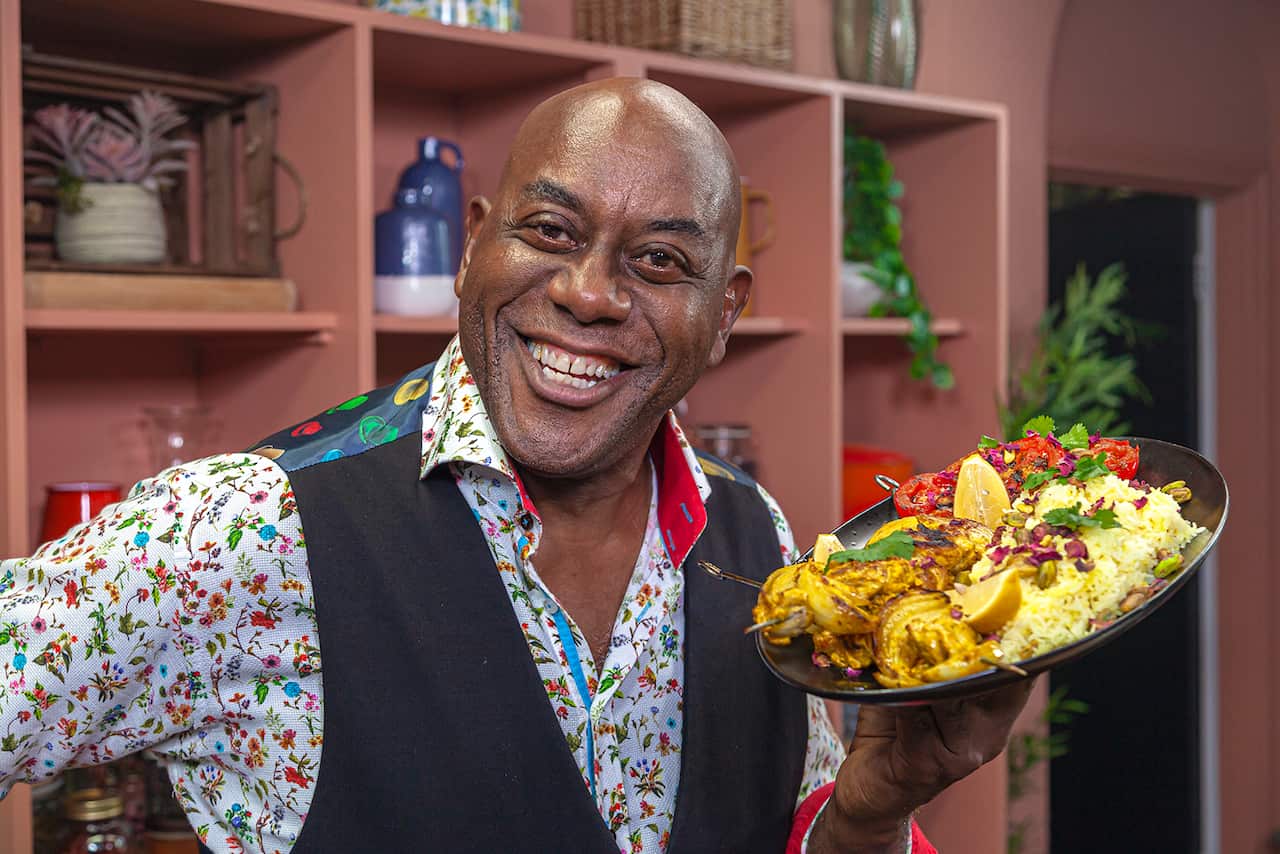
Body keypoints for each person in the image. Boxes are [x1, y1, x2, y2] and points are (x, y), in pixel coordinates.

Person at [0, 78, 1030, 853]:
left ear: (724, 315)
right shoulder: (250, 528)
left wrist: (863, 811)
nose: (588, 292)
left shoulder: (758, 541)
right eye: (550, 230)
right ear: (473, 247)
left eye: (660, 260)